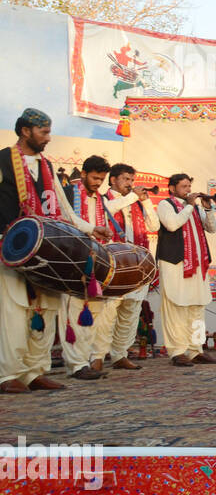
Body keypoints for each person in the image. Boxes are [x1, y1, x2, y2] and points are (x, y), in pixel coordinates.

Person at [0, 109, 111, 394]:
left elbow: (63, 208)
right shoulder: (2, 160)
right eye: (44, 132)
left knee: (46, 311)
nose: (48, 138)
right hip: (12, 248)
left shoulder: (48, 167)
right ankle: (8, 374)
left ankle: (35, 372)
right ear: (26, 131)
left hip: (47, 251)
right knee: (15, 313)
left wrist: (90, 229)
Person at [94, 163, 159, 372]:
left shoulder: (136, 203)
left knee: (131, 311)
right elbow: (108, 211)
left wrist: (146, 201)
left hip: (137, 265)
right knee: (108, 313)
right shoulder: (103, 200)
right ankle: (97, 356)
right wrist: (133, 196)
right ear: (113, 180)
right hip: (115, 266)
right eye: (126, 180)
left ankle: (120, 354)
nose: (130, 184)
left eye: (132, 180)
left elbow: (154, 226)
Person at [155, 173, 216, 367]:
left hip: (197, 266)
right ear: (172, 188)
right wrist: (190, 205)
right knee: (176, 307)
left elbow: (212, 228)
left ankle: (196, 349)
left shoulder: (195, 207)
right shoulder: (165, 205)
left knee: (197, 307)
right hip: (175, 265)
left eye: (189, 186)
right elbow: (172, 224)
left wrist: (207, 210)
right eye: (184, 187)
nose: (188, 190)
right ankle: (178, 351)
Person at [60, 155, 115, 380]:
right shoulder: (69, 192)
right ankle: (76, 364)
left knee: (92, 313)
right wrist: (93, 229)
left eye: (101, 179)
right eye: (94, 178)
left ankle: (86, 360)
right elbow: (67, 219)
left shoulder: (100, 199)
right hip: (72, 258)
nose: (98, 183)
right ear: (83, 174)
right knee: (73, 312)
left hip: (94, 262)